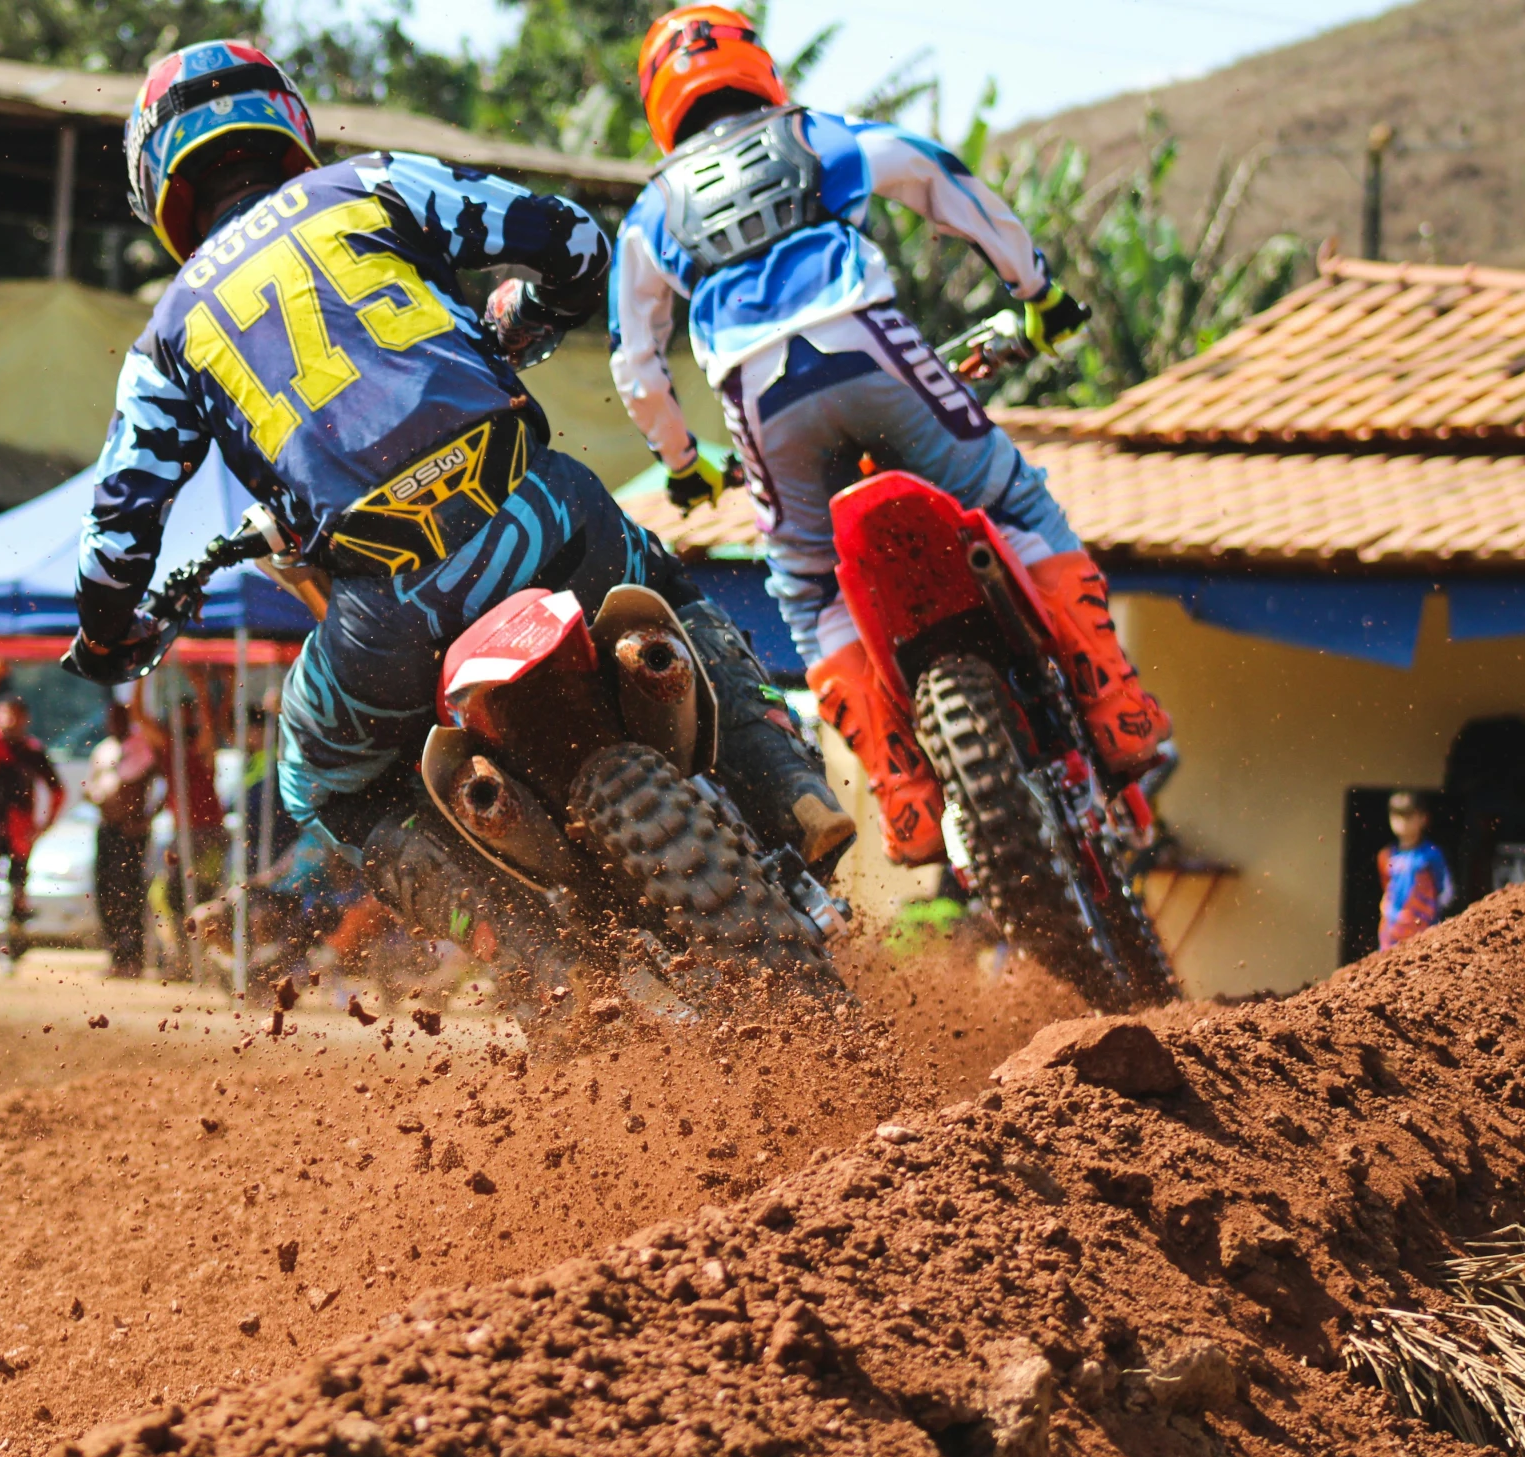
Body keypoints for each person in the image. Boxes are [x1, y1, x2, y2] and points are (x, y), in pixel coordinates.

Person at [65, 40, 852, 949]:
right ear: (282, 121)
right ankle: (786, 790)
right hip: (544, 514)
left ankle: (529, 955)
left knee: (320, 781)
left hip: (390, 609)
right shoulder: (369, 185)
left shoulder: (165, 340)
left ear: (161, 183)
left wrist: (110, 632)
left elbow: (117, 535)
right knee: (665, 589)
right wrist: (521, 320)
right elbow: (575, 241)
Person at [610, 6, 1170, 864]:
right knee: (1009, 494)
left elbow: (637, 365)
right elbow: (940, 180)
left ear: (660, 101)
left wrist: (683, 466)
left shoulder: (653, 213)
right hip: (870, 345)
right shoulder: (820, 135)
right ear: (756, 66)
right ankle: (1112, 696)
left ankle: (901, 787)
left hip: (760, 404)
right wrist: (1038, 290)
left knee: (806, 588)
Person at [0, 659, 68, 971]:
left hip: (20, 831)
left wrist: (43, 826)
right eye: (5, 713)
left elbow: (58, 791)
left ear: (25, 720)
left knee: (18, 892)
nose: (10, 720)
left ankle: (12, 952)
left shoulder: (32, 751)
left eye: (17, 715)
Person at [85, 700, 165, 977]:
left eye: (120, 717)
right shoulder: (103, 749)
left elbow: (163, 782)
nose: (114, 723)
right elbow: (92, 782)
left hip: (132, 831)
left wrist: (147, 817)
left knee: (129, 892)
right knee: (106, 891)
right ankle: (115, 954)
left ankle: (134, 957)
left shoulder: (142, 747)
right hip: (107, 827)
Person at [1377, 790, 1453, 951]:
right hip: (1392, 930)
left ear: (1423, 818)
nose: (1403, 822)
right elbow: (1386, 888)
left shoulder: (1431, 854)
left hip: (1422, 929)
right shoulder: (1386, 855)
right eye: (1397, 816)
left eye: (1409, 816)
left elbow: (1445, 891)